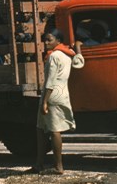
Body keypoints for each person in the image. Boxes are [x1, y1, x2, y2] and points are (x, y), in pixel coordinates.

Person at [29, 29, 82, 175]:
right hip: (61, 93)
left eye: (49, 40)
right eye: (45, 40)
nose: (46, 43)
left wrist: (45, 101)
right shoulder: (67, 55)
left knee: (54, 130)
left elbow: (50, 81)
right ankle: (39, 164)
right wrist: (77, 48)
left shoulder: (53, 57)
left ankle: (58, 166)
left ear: (58, 41)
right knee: (41, 128)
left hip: (51, 95)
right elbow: (79, 62)